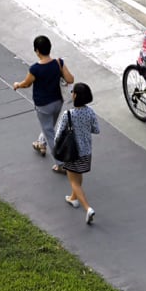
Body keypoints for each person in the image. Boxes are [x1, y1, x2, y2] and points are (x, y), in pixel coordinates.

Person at [13, 35, 75, 173]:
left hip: (43, 106)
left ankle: (60, 163)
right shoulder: (59, 63)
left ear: (37, 51)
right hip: (58, 102)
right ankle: (41, 143)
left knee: (50, 133)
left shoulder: (35, 69)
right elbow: (70, 79)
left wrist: (17, 84)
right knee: (49, 127)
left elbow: (27, 84)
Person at [54, 83, 99, 224]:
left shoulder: (68, 115)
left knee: (73, 181)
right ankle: (73, 198)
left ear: (75, 96)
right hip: (86, 151)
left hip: (72, 152)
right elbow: (96, 130)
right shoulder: (90, 112)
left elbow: (58, 135)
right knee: (78, 175)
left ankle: (88, 208)